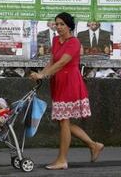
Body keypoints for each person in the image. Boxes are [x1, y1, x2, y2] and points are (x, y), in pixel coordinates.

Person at [30, 12, 104, 170]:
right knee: (63, 122)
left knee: (63, 121)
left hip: (70, 83)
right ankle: (94, 145)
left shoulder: (74, 42)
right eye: (57, 24)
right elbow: (52, 61)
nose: (58, 27)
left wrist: (44, 74)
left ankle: (62, 160)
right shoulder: (56, 40)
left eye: (62, 24)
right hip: (58, 83)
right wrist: (40, 74)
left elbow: (62, 62)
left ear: (69, 26)